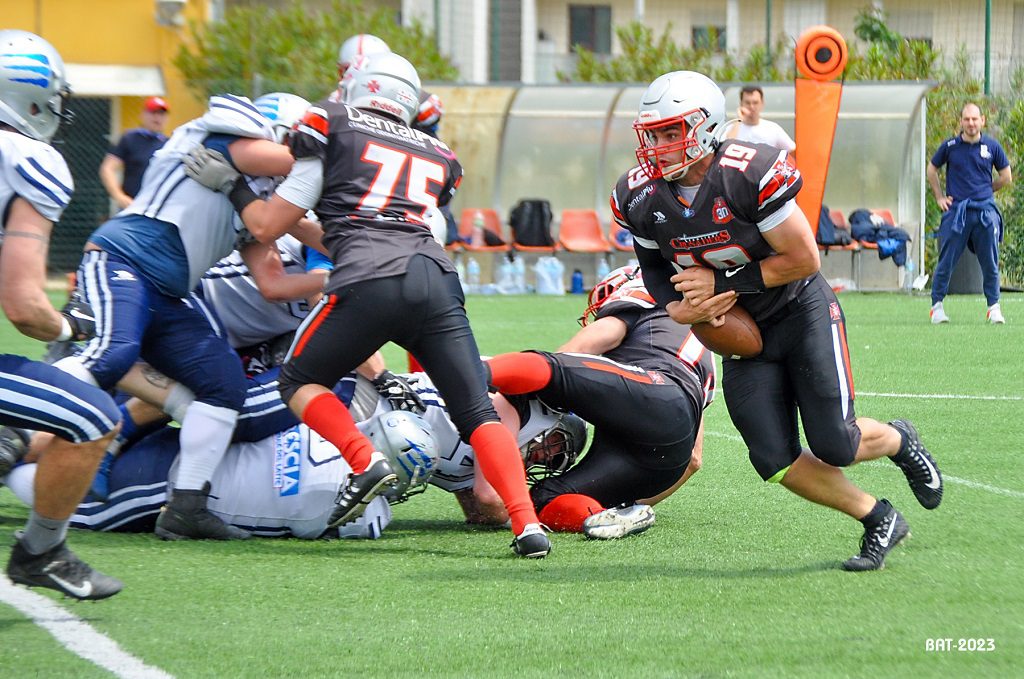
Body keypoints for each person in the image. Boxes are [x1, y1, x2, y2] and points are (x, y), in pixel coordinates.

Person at [183, 53, 549, 557]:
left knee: (296, 381)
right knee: (476, 411)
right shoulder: (437, 151)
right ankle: (527, 526)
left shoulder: (332, 124)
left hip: (370, 277)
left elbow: (267, 225)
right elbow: (359, 225)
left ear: (358, 87)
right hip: (435, 276)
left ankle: (363, 461)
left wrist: (233, 185)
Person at [613, 70, 944, 571]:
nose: (657, 146)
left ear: (704, 129)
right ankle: (878, 518)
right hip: (743, 337)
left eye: (670, 132)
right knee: (773, 459)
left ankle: (899, 438)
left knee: (836, 442)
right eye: (652, 134)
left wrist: (721, 287)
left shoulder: (747, 173)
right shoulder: (640, 196)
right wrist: (675, 308)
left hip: (799, 311)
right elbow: (656, 272)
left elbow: (805, 258)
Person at [52, 92, 312, 541]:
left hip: (171, 294)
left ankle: (187, 505)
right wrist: (341, 157)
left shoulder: (248, 193)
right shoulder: (226, 142)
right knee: (113, 354)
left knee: (224, 387)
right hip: (122, 259)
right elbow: (290, 162)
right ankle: (17, 413)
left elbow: (280, 250)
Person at [0, 29, 123, 600]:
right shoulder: (29, 159)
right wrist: (70, 326)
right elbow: (25, 307)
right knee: (95, 415)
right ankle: (41, 551)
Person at [485, 266, 715, 539]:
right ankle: (602, 518)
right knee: (546, 498)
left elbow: (578, 352)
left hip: (655, 390)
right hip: (666, 457)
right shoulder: (704, 350)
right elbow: (693, 460)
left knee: (550, 368)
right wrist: (635, 503)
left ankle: (468, 377)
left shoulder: (646, 292)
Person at [926, 102, 1012, 325]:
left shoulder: (992, 146)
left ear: (982, 120)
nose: (971, 123)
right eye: (967, 119)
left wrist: (986, 190)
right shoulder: (950, 146)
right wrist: (938, 198)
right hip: (957, 212)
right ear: (961, 122)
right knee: (946, 260)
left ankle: (994, 308)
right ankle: (937, 307)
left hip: (985, 212)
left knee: (990, 262)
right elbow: (932, 169)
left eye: (975, 119)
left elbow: (1006, 176)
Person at [99, 95, 169, 211]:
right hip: (132, 206)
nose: (157, 117)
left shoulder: (170, 144)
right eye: (153, 112)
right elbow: (107, 169)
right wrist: (119, 196)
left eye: (161, 114)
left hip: (158, 208)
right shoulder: (129, 138)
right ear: (143, 115)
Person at [724, 85, 795, 153]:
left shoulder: (773, 129)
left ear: (762, 104)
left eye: (755, 103)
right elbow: (725, 149)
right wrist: (738, 120)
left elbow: (792, 150)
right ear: (741, 104)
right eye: (747, 103)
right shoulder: (731, 128)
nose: (751, 107)